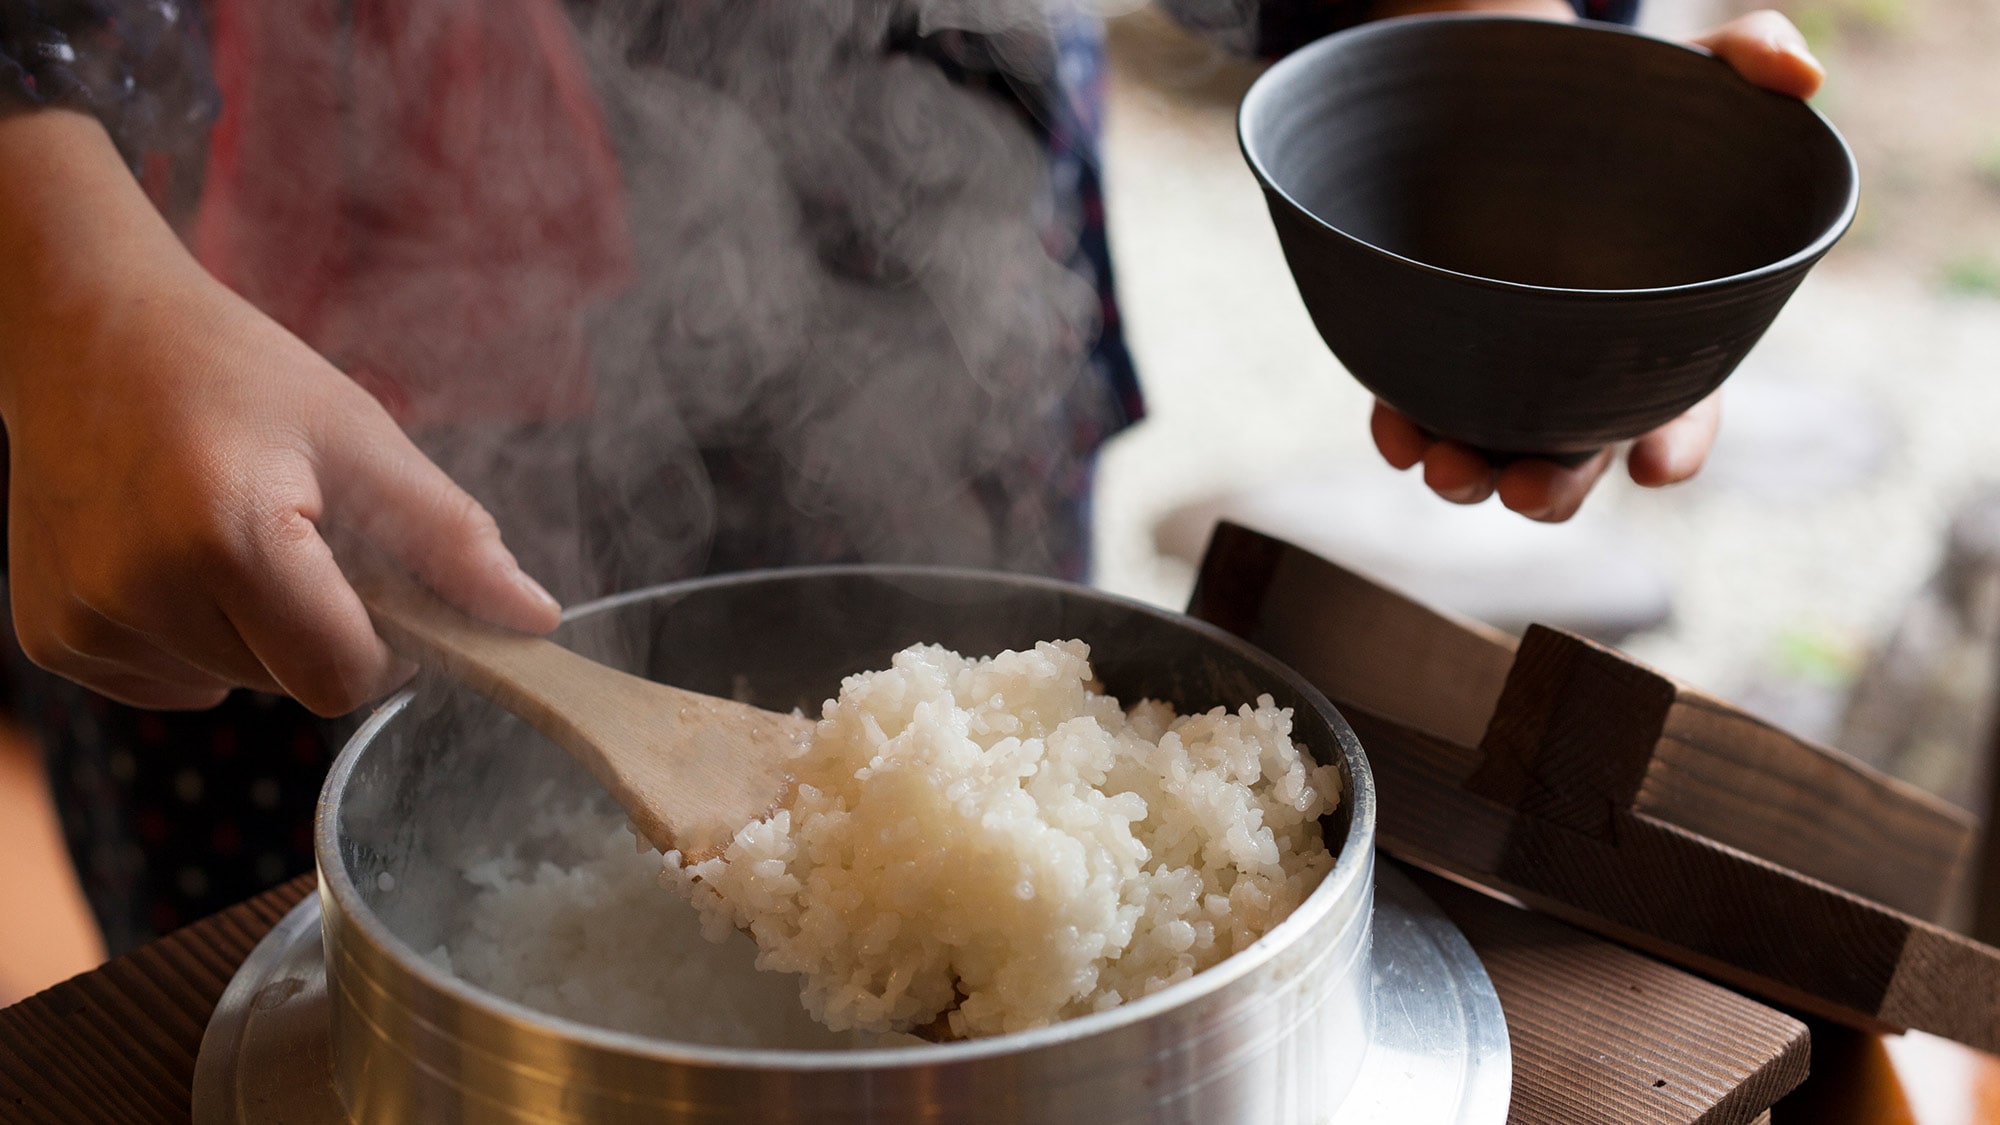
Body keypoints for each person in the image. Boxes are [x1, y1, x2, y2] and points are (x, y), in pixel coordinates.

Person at [0, 0, 1825, 949]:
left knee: (980, 776)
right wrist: (58, 269)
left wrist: (1478, 66)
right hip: (231, 360)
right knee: (353, 940)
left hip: (940, 254)